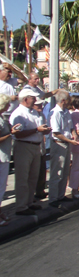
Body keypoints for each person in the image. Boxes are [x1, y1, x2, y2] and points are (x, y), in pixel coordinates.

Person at [9, 88, 51, 215]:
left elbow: (37, 128)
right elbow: (18, 134)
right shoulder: (18, 114)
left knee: (33, 176)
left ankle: (29, 202)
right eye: (32, 98)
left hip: (35, 145)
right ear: (25, 99)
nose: (34, 100)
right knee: (23, 177)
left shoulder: (34, 112)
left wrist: (43, 130)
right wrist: (37, 130)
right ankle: (21, 206)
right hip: (23, 146)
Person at [48, 90, 79, 207]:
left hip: (67, 143)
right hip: (59, 143)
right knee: (57, 172)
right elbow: (56, 132)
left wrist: (74, 134)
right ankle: (53, 198)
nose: (70, 102)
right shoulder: (55, 113)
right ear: (63, 101)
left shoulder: (66, 112)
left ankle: (60, 195)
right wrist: (70, 140)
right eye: (68, 99)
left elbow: (70, 126)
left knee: (65, 171)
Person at [0, 94, 12, 226]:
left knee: (2, 187)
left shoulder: (2, 117)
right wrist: (10, 134)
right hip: (1, 156)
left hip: (4, 155)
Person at [33, 97, 48, 199]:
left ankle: (40, 191)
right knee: (33, 172)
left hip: (41, 144)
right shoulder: (31, 115)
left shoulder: (42, 115)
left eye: (41, 104)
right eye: (38, 105)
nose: (40, 106)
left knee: (42, 170)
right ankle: (31, 195)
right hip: (32, 145)